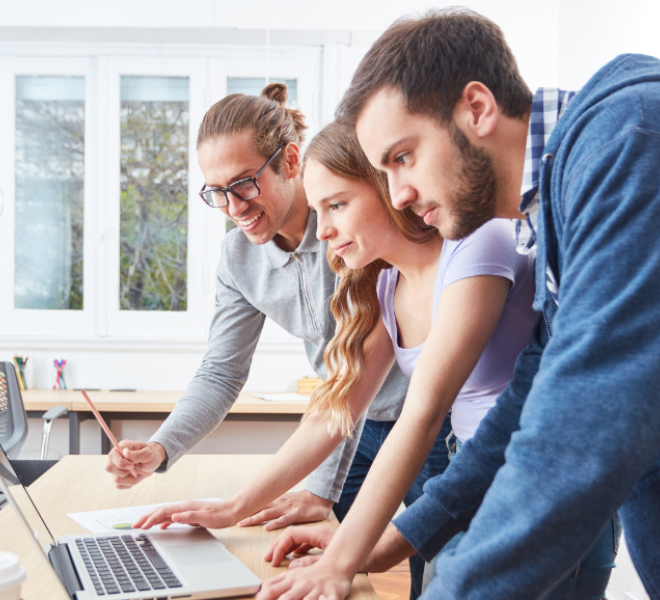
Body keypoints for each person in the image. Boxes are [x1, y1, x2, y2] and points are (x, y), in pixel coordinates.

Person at [265, 9, 660, 600]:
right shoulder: (552, 209)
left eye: (402, 157)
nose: (398, 194)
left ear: (477, 108)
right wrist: (400, 537)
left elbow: (589, 418)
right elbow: (530, 396)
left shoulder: (623, 138)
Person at [105, 83, 452, 600]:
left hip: (431, 420)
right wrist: (164, 449)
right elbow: (234, 373)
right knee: (330, 560)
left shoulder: (363, 236)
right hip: (358, 417)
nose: (231, 207)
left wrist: (319, 491)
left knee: (438, 564)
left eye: (243, 184)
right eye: (215, 192)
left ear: (290, 161)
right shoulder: (243, 259)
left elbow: (370, 389)